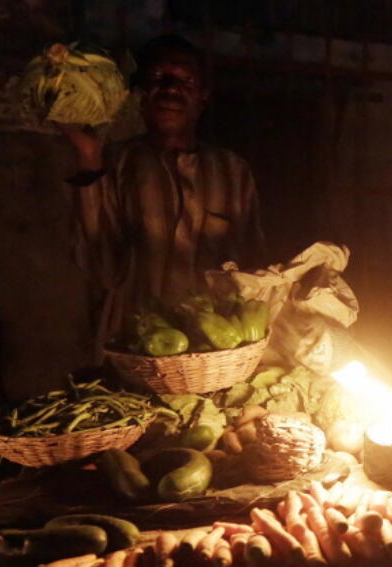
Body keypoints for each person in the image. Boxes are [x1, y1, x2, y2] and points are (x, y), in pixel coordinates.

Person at [56, 34, 265, 357]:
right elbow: (102, 267)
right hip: (136, 341)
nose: (171, 88)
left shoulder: (232, 170)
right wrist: (88, 156)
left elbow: (252, 268)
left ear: (202, 98)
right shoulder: (114, 161)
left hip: (215, 348)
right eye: (158, 78)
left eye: (186, 80)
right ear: (141, 96)